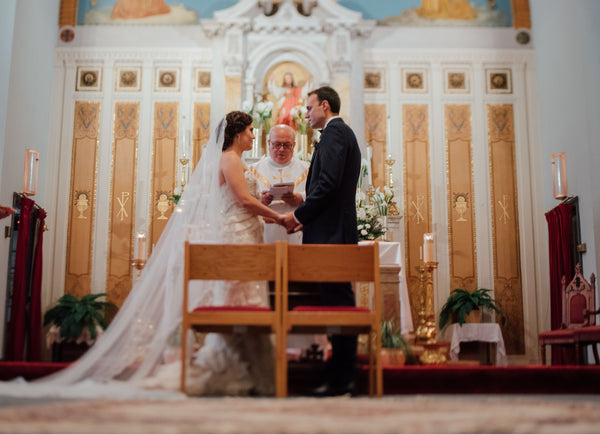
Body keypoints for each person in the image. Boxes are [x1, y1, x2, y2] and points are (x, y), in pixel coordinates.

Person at [0, 111, 286, 399]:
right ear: (237, 133)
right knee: (238, 302)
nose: (253, 135)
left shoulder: (231, 161)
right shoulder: (230, 159)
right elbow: (242, 199)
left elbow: (239, 199)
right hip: (236, 237)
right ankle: (239, 368)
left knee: (245, 300)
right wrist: (278, 217)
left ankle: (244, 366)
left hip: (244, 234)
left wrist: (265, 209)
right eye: (250, 130)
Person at [282, 86, 362, 396]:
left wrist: (299, 216)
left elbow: (327, 184)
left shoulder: (335, 134)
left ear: (324, 106)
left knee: (339, 303)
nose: (304, 113)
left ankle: (343, 376)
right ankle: (339, 369)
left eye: (309, 107)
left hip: (332, 234)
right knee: (335, 301)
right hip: (330, 231)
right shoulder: (336, 134)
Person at [249, 124, 309, 245]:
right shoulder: (253, 170)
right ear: (269, 143)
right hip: (265, 231)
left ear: (294, 145)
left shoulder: (307, 169)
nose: (281, 149)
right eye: (277, 145)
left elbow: (318, 195)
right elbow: (244, 201)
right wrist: (261, 201)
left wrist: (301, 198)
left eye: (286, 145)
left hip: (296, 229)